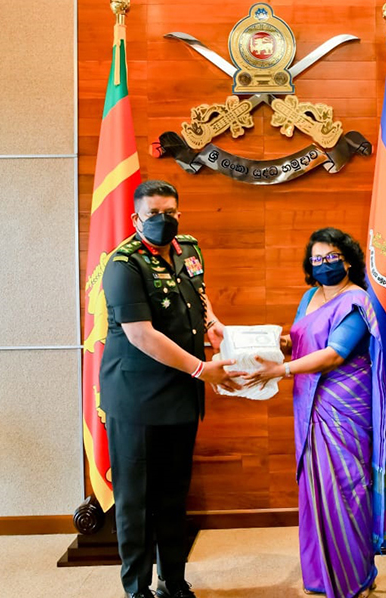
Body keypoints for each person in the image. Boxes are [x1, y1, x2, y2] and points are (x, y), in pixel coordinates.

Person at [240, 227, 386, 598]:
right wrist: (282, 343)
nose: (324, 264)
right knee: (316, 491)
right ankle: (320, 577)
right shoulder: (309, 297)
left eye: (331, 257)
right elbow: (301, 340)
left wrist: (280, 370)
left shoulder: (355, 301)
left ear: (348, 260)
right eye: (316, 259)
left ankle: (355, 576)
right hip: (309, 405)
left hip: (345, 409)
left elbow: (334, 354)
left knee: (348, 490)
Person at [100, 180, 240, 598]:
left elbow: (198, 297)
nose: (165, 221)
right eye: (154, 214)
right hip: (137, 397)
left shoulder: (190, 248)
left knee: (173, 495)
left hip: (181, 394)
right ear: (136, 218)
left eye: (171, 212)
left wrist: (215, 327)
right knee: (136, 501)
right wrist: (201, 368)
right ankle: (137, 588)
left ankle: (174, 582)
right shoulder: (123, 263)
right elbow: (141, 335)